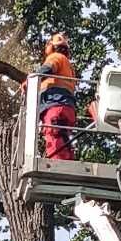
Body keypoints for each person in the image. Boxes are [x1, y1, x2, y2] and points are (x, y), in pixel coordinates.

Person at [36, 33, 79, 161]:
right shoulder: (69, 67)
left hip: (55, 106)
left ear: (52, 46)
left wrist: (30, 80)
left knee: (54, 135)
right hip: (67, 109)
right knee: (63, 138)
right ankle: (67, 161)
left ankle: (57, 163)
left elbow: (47, 69)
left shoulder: (56, 57)